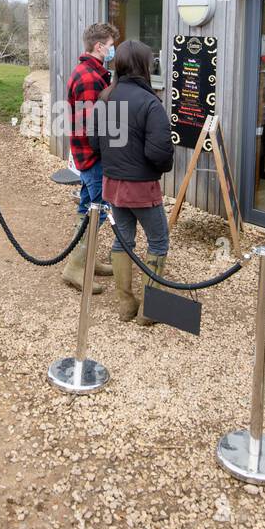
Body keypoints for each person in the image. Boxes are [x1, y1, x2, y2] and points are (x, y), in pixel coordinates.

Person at [95, 39, 174, 324]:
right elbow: (159, 152)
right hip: (141, 186)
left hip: (112, 182)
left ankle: (126, 305)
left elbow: (95, 141)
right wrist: (162, 166)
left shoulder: (105, 96)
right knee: (158, 241)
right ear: (144, 66)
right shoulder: (151, 103)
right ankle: (148, 311)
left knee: (123, 241)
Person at [60, 21, 119, 294]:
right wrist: (105, 155)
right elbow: (90, 127)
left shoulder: (96, 73)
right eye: (110, 45)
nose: (112, 49)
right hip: (93, 157)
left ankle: (86, 260)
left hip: (91, 156)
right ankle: (75, 267)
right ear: (99, 46)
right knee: (98, 209)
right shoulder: (88, 78)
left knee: (88, 206)